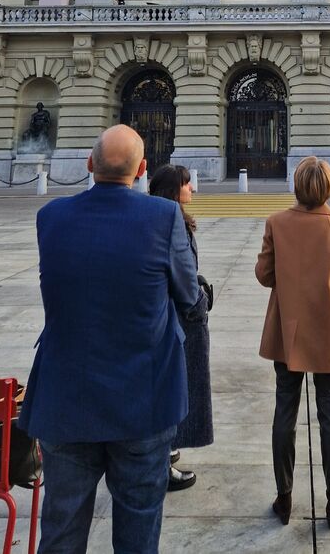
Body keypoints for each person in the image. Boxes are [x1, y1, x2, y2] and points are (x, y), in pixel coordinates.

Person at [18, 124, 203, 554]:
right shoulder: (164, 216)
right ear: (142, 169)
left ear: (88, 164)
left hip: (66, 398)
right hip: (144, 398)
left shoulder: (51, 217)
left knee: (61, 530)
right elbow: (189, 293)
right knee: (138, 532)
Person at [255, 155, 330, 530]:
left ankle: (284, 498)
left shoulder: (277, 222)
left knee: (285, 409)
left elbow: (264, 274)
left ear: (295, 185)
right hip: (328, 327)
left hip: (287, 328)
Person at [149, 164, 213, 492]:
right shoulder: (172, 219)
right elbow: (183, 273)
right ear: (176, 189)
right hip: (180, 319)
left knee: (169, 388)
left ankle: (165, 451)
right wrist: (198, 301)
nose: (193, 190)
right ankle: (161, 462)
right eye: (188, 184)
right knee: (176, 389)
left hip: (162, 314)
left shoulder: (155, 216)